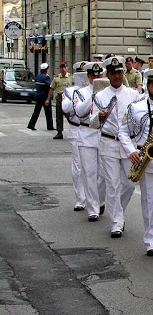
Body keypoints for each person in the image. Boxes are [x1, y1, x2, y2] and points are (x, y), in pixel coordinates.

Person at [119, 68, 153, 256]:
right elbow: (123, 132)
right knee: (149, 201)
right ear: (148, 86)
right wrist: (131, 151)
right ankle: (151, 241)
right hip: (144, 157)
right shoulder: (135, 107)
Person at [89, 56, 141, 238]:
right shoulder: (100, 96)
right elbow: (92, 122)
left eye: (119, 72)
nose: (117, 76)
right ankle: (117, 221)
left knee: (129, 183)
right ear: (108, 75)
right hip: (109, 142)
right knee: (112, 184)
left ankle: (119, 210)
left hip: (128, 144)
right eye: (113, 73)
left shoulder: (133, 94)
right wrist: (99, 118)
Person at [72, 62, 107, 221]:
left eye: (99, 75)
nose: (96, 78)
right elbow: (79, 112)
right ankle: (92, 208)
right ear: (88, 76)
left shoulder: (107, 92)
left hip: (103, 133)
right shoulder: (80, 92)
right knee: (90, 173)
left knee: (104, 174)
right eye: (93, 75)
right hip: (86, 133)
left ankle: (99, 200)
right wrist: (93, 95)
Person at [62, 65, 89, 211]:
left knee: (93, 168)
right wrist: (77, 100)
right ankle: (80, 199)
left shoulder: (94, 89)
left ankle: (94, 198)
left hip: (91, 130)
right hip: (76, 129)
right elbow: (65, 108)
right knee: (78, 166)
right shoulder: (70, 91)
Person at [45, 61, 74, 139]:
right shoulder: (56, 78)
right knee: (59, 115)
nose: (63, 69)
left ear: (67, 68)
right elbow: (52, 89)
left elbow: (76, 88)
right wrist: (48, 99)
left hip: (69, 98)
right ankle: (59, 132)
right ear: (60, 68)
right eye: (62, 67)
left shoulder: (71, 77)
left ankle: (74, 130)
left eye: (65, 67)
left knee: (70, 115)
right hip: (60, 97)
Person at [27, 63, 54, 131]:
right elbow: (51, 85)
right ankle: (50, 126)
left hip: (38, 96)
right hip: (45, 96)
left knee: (36, 111)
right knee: (48, 112)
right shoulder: (45, 77)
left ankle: (31, 124)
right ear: (46, 69)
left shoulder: (38, 76)